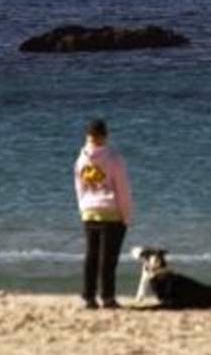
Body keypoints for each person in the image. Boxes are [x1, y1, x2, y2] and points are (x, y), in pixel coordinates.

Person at [74, 118, 133, 309]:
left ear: (87, 136)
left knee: (91, 256)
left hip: (89, 211)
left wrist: (83, 208)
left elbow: (79, 188)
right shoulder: (114, 158)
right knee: (108, 259)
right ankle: (107, 297)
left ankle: (89, 297)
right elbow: (122, 190)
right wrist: (126, 215)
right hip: (110, 212)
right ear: (105, 136)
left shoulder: (81, 159)